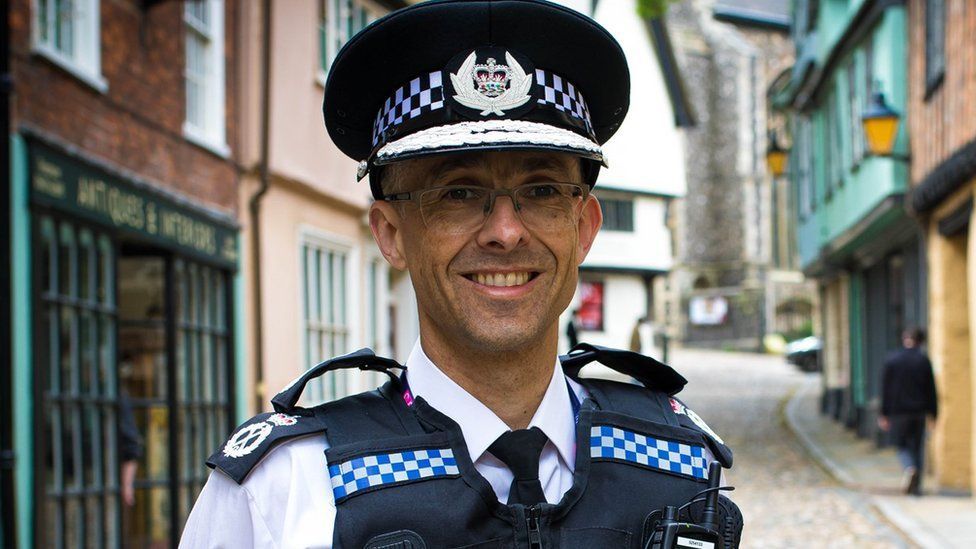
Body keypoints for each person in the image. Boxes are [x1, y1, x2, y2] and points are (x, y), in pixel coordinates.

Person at [181, 1, 742, 547]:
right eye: (458, 192)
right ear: (391, 233)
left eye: (542, 189)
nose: (505, 231)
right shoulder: (284, 489)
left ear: (584, 225)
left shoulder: (682, 468)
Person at [878, 327, 938, 496]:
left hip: (898, 411)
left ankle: (909, 467)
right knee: (917, 446)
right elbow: (931, 390)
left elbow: (885, 389)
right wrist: (934, 413)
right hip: (919, 411)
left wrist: (884, 413)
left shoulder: (892, 360)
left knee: (901, 444)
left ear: (905, 339)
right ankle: (917, 487)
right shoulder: (923, 360)